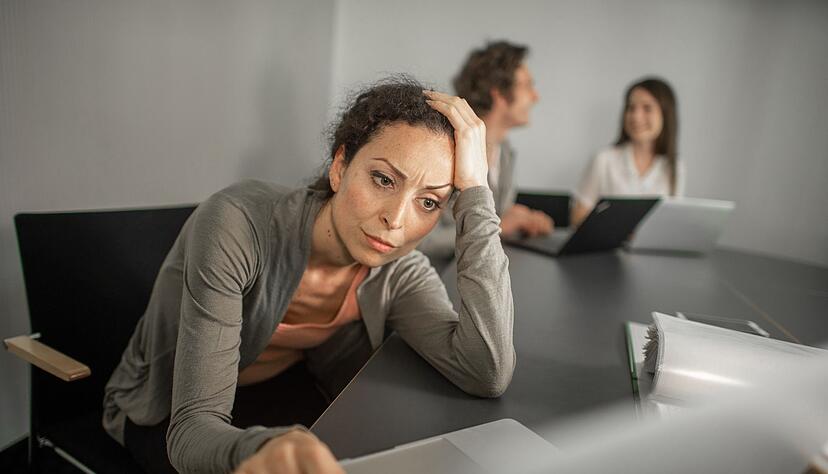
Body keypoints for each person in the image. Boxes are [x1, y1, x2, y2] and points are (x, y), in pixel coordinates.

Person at [101, 78, 515, 474]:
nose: (396, 219)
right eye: (383, 179)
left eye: (428, 202)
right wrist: (267, 448)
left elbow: (486, 370)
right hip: (166, 412)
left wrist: (477, 194)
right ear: (340, 167)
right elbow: (190, 434)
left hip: (281, 392)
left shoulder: (398, 269)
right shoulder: (237, 224)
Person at [419, 41, 553, 268]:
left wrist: (525, 219)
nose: (536, 96)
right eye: (528, 85)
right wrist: (499, 226)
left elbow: (497, 213)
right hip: (436, 278)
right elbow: (419, 239)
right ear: (499, 93)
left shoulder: (505, 151)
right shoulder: (443, 149)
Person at [571, 77, 684, 226]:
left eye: (647, 108)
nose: (636, 117)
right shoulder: (604, 160)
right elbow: (577, 217)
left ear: (666, 114)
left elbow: (672, 223)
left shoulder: (675, 167)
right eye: (631, 108)